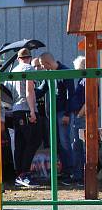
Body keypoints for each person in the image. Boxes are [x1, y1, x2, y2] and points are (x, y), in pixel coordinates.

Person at [36, 52, 76, 184]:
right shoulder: (49, 74)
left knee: (65, 142)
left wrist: (67, 114)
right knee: (57, 142)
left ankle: (70, 172)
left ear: (48, 63)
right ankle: (63, 170)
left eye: (42, 65)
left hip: (63, 113)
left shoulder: (65, 72)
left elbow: (71, 94)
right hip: (53, 113)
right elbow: (41, 89)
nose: (42, 67)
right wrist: (27, 96)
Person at [9, 47, 40, 187]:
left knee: (20, 143)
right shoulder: (29, 69)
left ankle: (19, 174)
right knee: (33, 141)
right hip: (26, 109)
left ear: (18, 58)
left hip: (16, 110)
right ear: (29, 57)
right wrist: (32, 111)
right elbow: (30, 90)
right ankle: (25, 173)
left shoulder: (14, 70)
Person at [68, 56, 87, 186]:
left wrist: (79, 115)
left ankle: (80, 176)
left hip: (81, 117)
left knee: (79, 146)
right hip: (78, 115)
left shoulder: (86, 81)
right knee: (77, 146)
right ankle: (78, 174)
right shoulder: (82, 80)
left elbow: (89, 101)